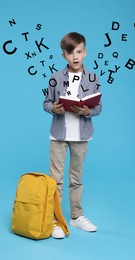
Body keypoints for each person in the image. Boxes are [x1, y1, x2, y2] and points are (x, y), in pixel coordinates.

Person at [43, 32, 102, 239]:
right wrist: (54, 109)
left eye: (78, 52)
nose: (75, 57)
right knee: (55, 180)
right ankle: (54, 219)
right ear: (64, 56)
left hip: (82, 134)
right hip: (58, 134)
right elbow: (46, 103)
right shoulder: (55, 78)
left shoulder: (93, 78)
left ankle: (76, 217)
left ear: (85, 53)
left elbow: (98, 107)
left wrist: (87, 111)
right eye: (70, 53)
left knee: (76, 179)